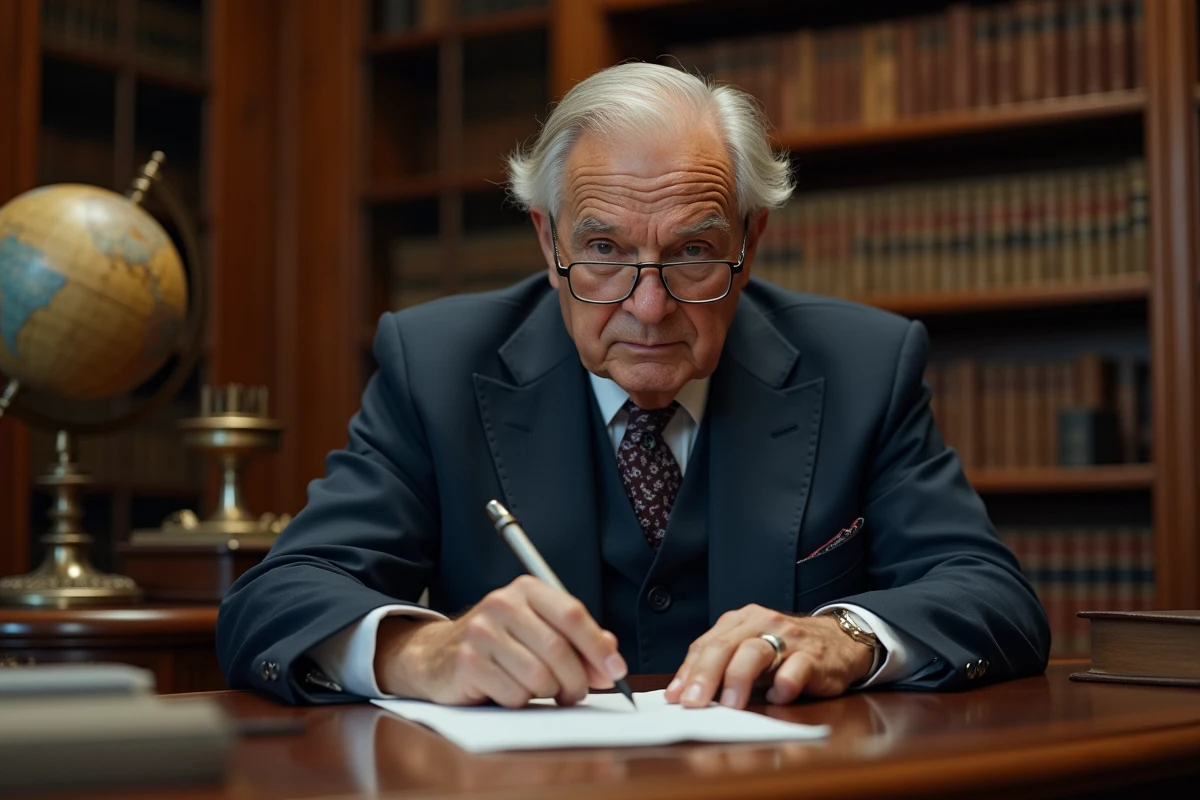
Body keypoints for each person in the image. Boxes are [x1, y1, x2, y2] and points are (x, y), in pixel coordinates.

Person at [216, 63, 1050, 709]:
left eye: (692, 251)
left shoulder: (865, 363)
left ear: (749, 242)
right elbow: (278, 598)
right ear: (547, 244)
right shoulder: (433, 365)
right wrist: (420, 651)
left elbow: (991, 595)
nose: (648, 308)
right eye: (606, 250)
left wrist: (843, 637)